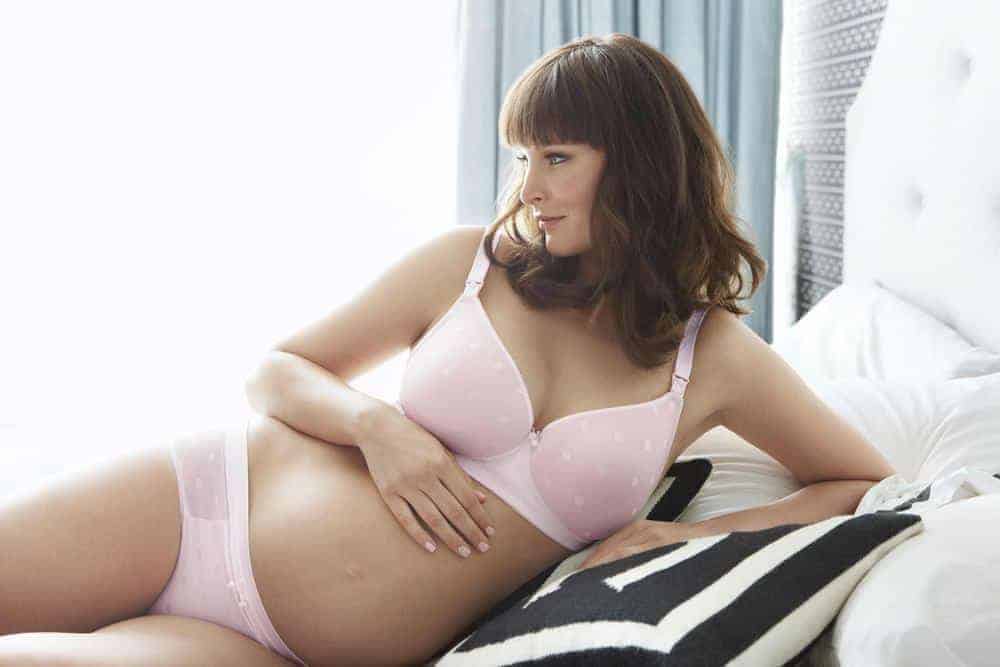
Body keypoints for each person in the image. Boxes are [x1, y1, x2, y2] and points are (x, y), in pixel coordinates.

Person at [0, 33, 769, 665]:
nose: (528, 187)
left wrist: (685, 534)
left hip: (267, 650)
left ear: (638, 164)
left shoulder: (712, 353)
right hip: (199, 501)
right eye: (521, 158)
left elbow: (866, 480)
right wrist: (379, 427)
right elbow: (275, 371)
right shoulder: (474, 263)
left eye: (556, 157)